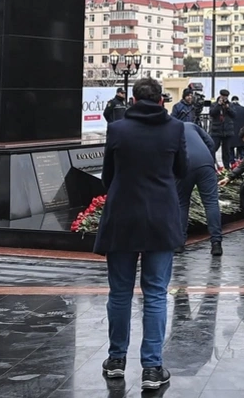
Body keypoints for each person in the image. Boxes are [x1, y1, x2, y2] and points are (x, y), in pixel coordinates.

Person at [95, 77, 187, 389]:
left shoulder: (117, 128)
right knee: (156, 292)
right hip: (160, 216)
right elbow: (180, 170)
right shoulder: (175, 128)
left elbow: (108, 175)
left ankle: (117, 360)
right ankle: (152, 367)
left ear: (133, 100)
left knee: (120, 292)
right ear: (161, 99)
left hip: (123, 216)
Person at [178, 121, 222, 257]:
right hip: (205, 164)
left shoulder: (168, 129)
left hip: (183, 165)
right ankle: (216, 243)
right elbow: (211, 143)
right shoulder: (191, 125)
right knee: (211, 203)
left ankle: (179, 243)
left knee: (182, 203)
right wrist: (209, 159)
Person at [209, 91, 236, 168]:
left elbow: (234, 115)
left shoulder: (230, 105)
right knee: (213, 149)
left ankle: (227, 167)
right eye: (223, 96)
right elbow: (212, 113)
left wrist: (228, 108)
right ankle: (212, 166)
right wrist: (218, 105)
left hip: (227, 131)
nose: (224, 98)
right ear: (220, 96)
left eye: (226, 97)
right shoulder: (214, 104)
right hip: (216, 131)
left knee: (226, 151)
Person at [227, 95, 244, 161]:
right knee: (241, 151)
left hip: (231, 133)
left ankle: (232, 165)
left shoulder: (229, 110)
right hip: (242, 134)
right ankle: (242, 164)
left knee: (231, 151)